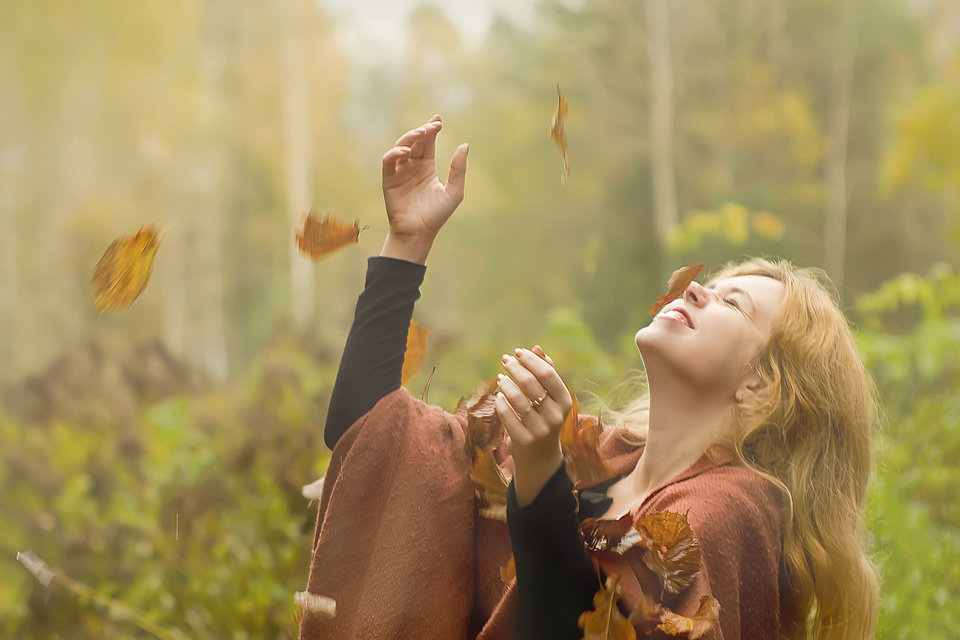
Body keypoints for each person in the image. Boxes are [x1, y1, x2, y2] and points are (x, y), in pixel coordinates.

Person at [298, 115, 879, 640]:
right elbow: (366, 430)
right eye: (715, 283)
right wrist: (406, 244)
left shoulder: (732, 512)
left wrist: (539, 475)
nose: (696, 287)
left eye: (734, 304)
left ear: (760, 385)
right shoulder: (593, 461)